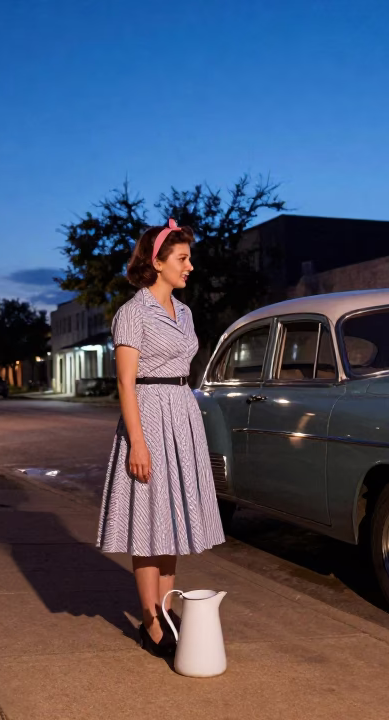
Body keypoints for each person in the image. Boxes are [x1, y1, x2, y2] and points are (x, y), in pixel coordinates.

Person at [97, 219, 226, 658]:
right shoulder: (132, 313)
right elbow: (126, 383)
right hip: (149, 415)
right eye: (183, 258)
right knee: (148, 523)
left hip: (181, 413)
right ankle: (151, 622)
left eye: (189, 258)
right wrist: (137, 441)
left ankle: (167, 611)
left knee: (171, 521)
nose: (190, 266)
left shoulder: (184, 312)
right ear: (157, 261)